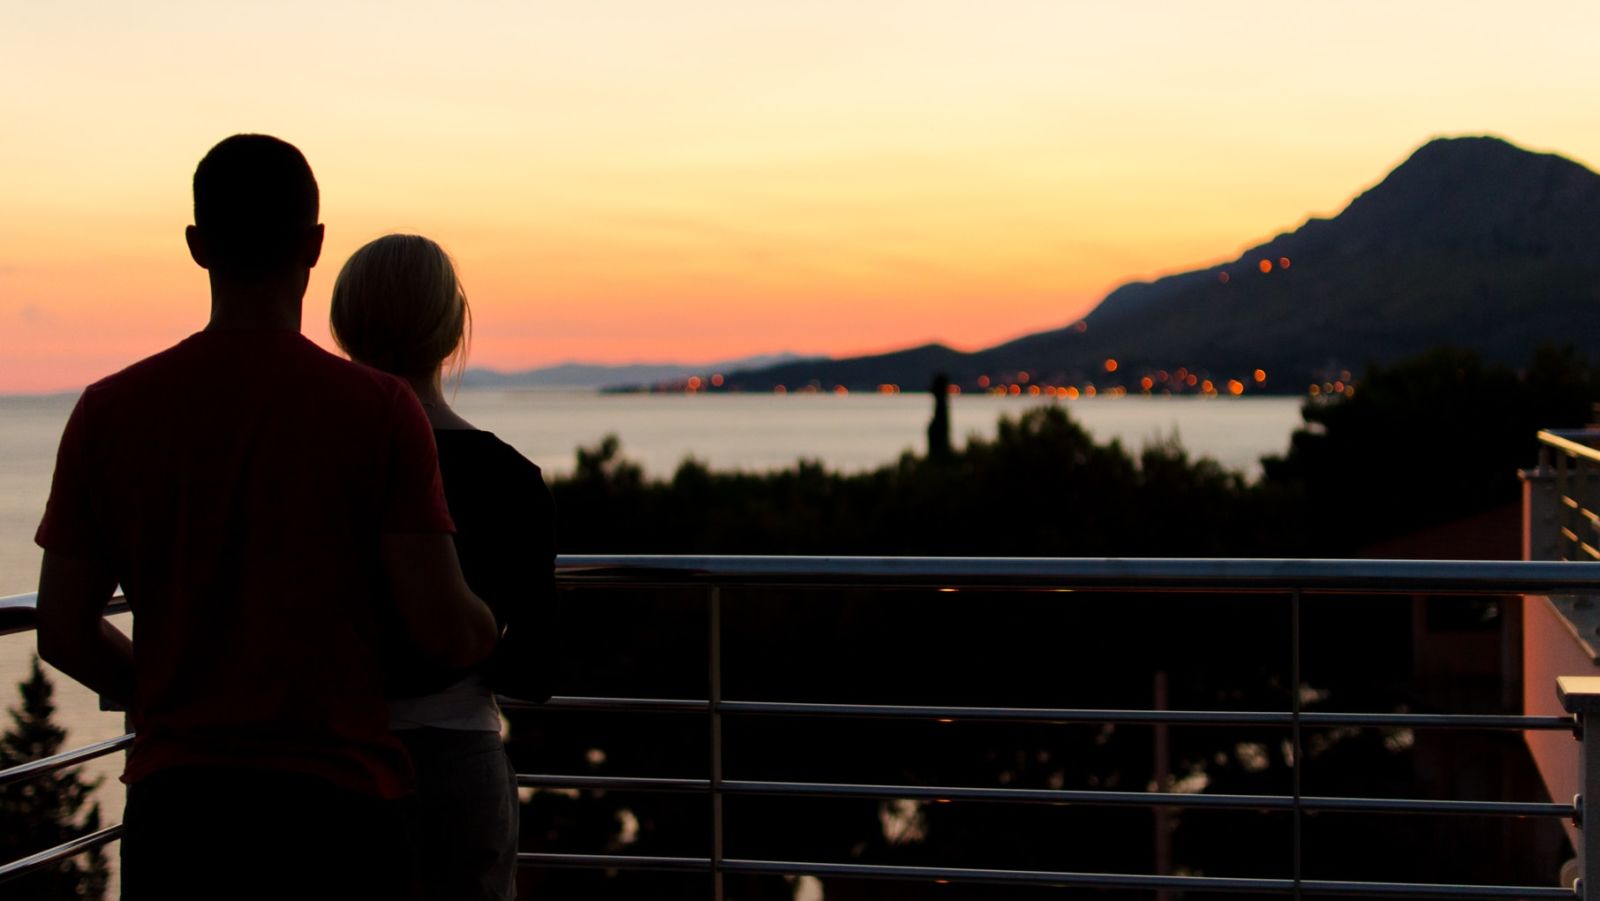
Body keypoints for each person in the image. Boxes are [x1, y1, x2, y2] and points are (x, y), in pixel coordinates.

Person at [33, 135, 499, 900]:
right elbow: (444, 628)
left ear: (197, 246)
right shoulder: (377, 412)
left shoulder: (108, 412)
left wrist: (161, 694)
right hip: (337, 808)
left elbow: (62, 628)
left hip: (179, 809)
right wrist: (493, 625)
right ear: (315, 245)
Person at [330, 233, 557, 901]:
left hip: (330, 767)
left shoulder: (313, 467)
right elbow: (535, 669)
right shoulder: (511, 479)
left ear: (345, 330)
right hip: (458, 764)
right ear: (453, 331)